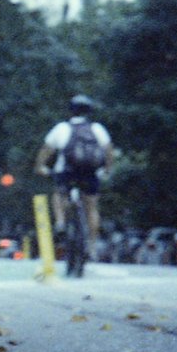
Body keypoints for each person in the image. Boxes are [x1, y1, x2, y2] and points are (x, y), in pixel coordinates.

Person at [35, 94, 114, 255]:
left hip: (67, 172)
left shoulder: (62, 128)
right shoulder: (97, 129)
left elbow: (47, 149)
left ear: (71, 111)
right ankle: (91, 245)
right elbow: (108, 150)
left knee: (59, 195)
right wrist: (107, 169)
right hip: (90, 172)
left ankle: (61, 223)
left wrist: (40, 166)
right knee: (91, 207)